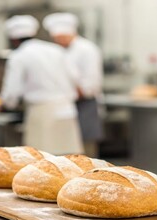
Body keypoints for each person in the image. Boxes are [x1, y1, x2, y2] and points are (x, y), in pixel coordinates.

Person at [0, 15, 83, 155]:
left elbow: (12, 91)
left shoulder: (19, 56)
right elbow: (75, 78)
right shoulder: (56, 50)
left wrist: (4, 104)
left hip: (42, 112)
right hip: (67, 109)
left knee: (43, 159)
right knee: (70, 158)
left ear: (13, 39)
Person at [43, 13, 104, 157]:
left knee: (86, 150)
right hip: (62, 105)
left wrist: (68, 92)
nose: (59, 42)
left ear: (72, 33)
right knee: (67, 152)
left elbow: (91, 85)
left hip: (85, 105)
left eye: (61, 38)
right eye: (56, 39)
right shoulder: (56, 51)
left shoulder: (87, 49)